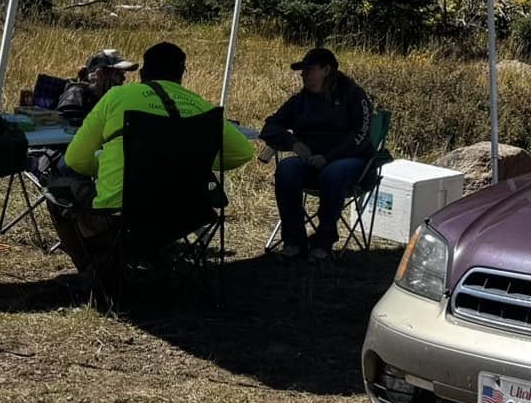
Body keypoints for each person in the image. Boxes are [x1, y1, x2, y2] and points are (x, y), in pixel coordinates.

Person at [50, 41, 255, 301]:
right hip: (185, 215)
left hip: (121, 217)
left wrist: (103, 167)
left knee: (57, 189)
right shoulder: (202, 106)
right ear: (182, 73)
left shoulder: (117, 98)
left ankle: (95, 276)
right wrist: (193, 161)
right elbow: (243, 152)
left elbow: (75, 160)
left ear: (144, 72)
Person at [260, 46, 374, 259]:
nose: (303, 75)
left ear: (326, 70)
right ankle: (294, 241)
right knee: (287, 169)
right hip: (311, 161)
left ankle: (323, 242)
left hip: (353, 163)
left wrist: (329, 158)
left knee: (333, 173)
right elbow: (270, 127)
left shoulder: (354, 95)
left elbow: (361, 135)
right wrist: (294, 143)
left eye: (308, 70)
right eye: (302, 71)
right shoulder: (300, 101)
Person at [56, 49, 136, 126]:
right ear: (100, 74)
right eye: (118, 74)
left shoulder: (104, 99)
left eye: (123, 73)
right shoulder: (75, 95)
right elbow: (68, 130)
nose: (123, 78)